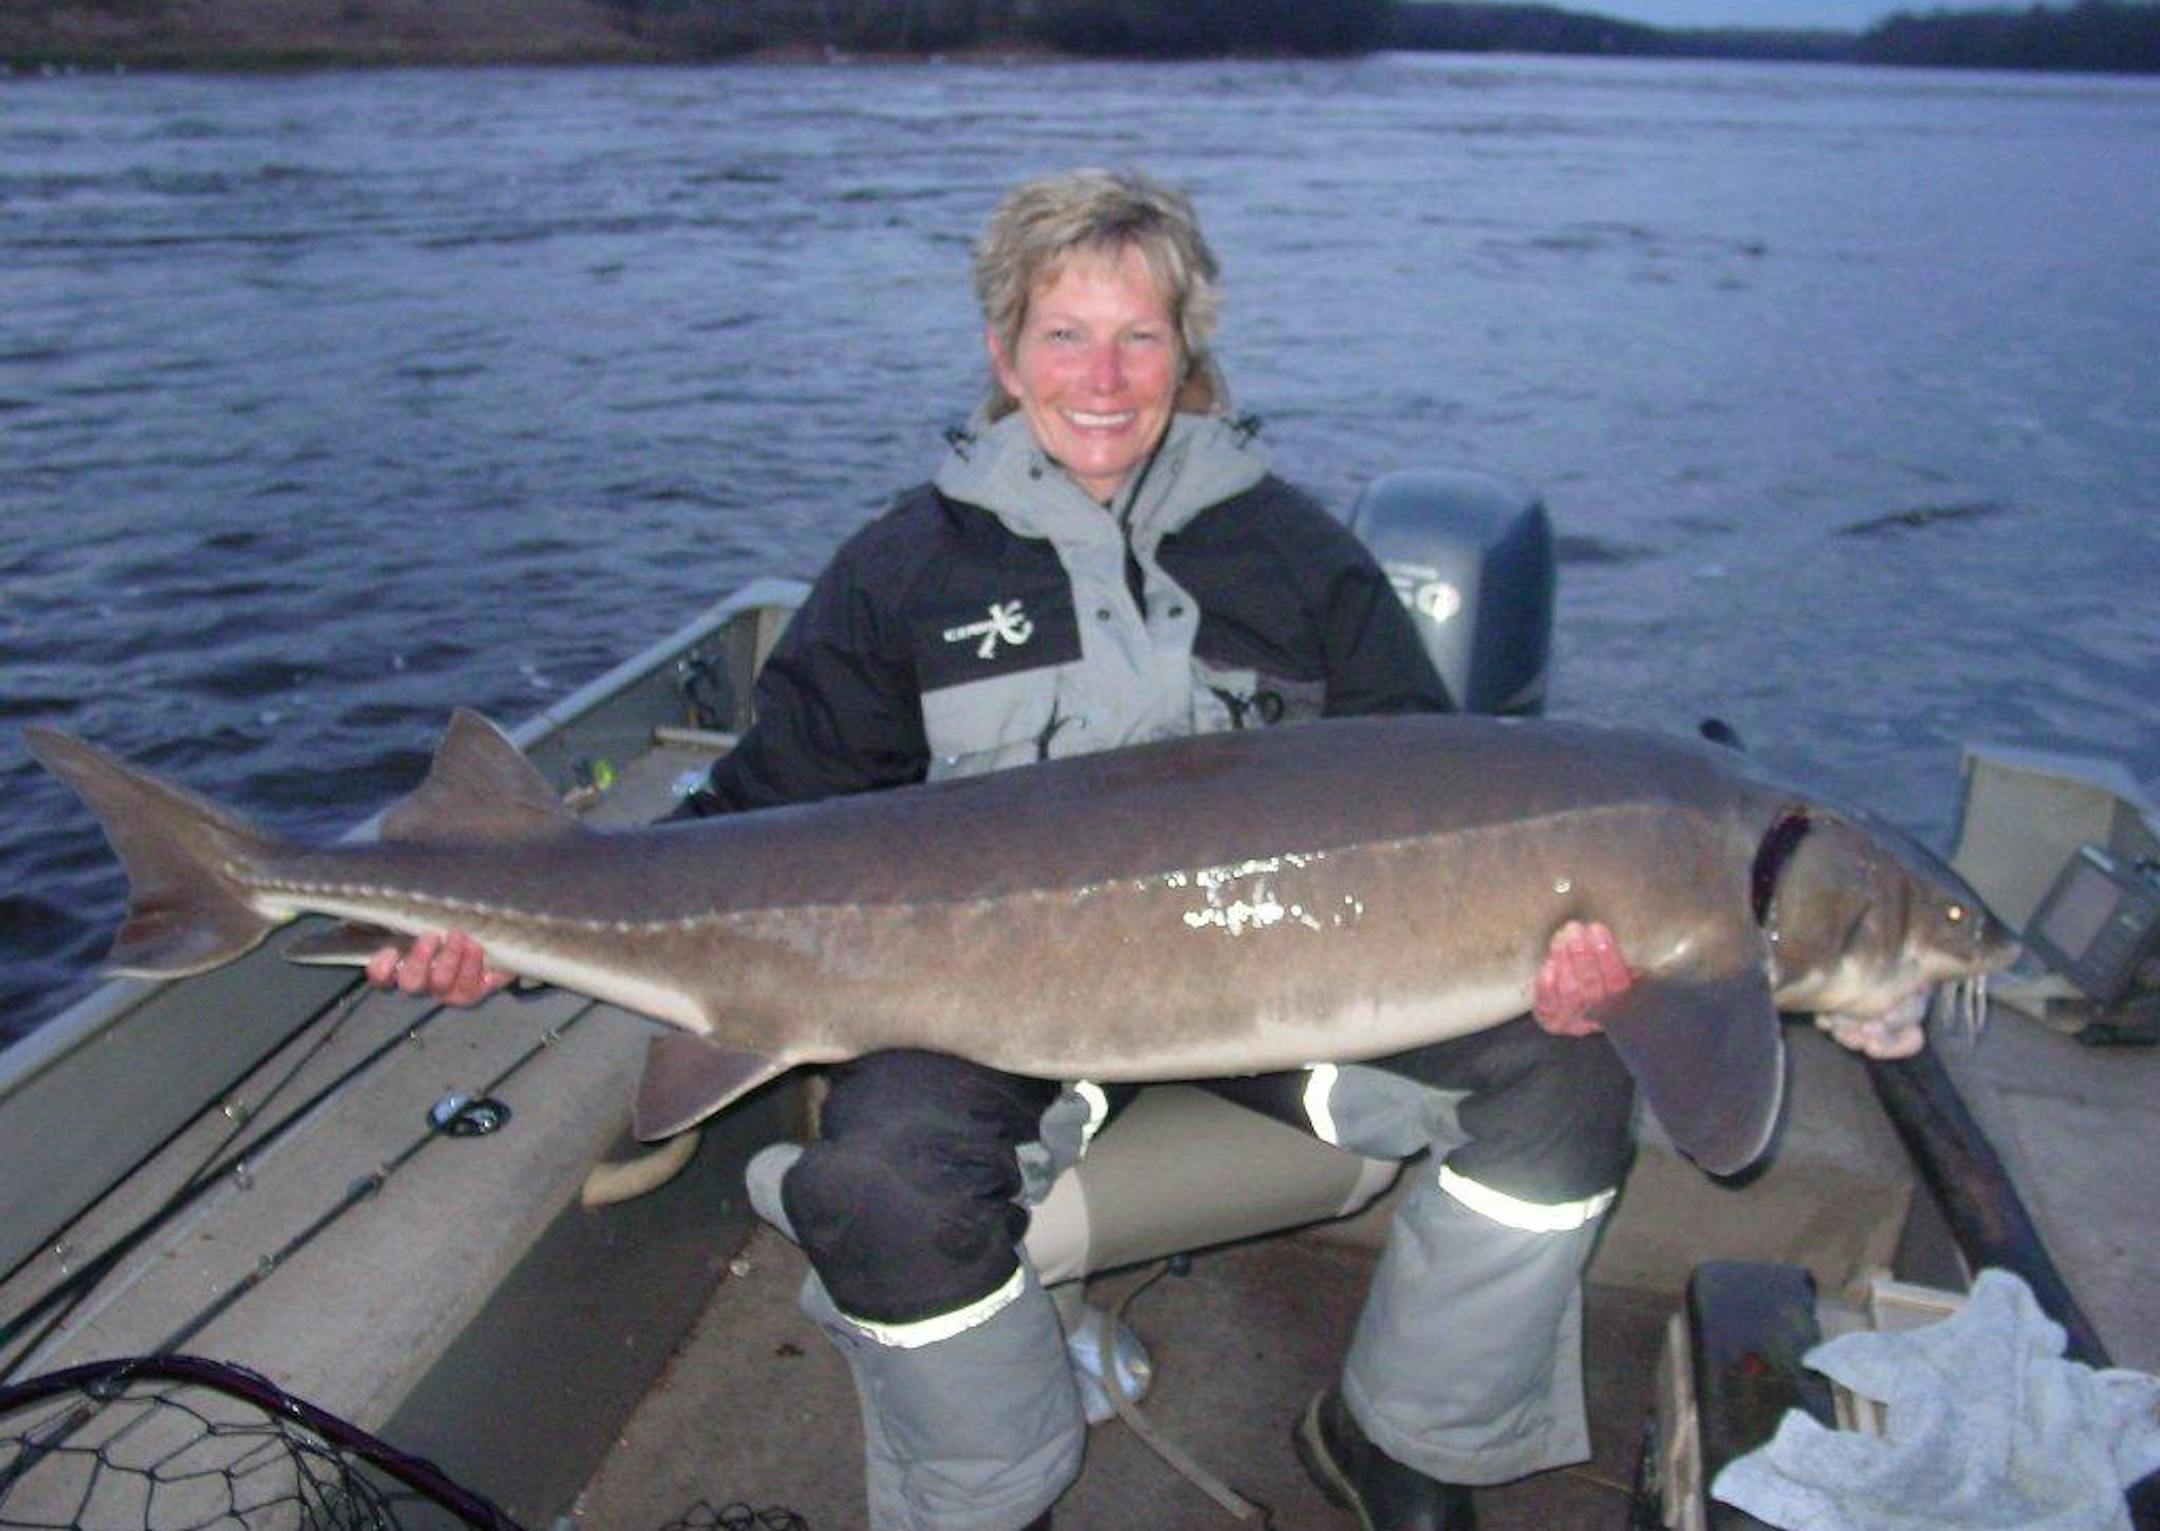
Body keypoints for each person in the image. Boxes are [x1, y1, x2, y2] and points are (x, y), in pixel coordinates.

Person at [373, 169, 1644, 1531]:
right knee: (876, 1185)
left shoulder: (1296, 555)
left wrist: (1551, 957)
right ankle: (995, 1496)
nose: (1103, 378)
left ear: (1187, 354)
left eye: (1140, 338)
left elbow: (1438, 798)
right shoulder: (905, 570)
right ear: (1001, 352)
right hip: (992, 1020)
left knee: (1569, 1084)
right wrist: (497, 940)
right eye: (1063, 336)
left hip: (1286, 1002)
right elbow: (740, 825)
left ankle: (1402, 1439)